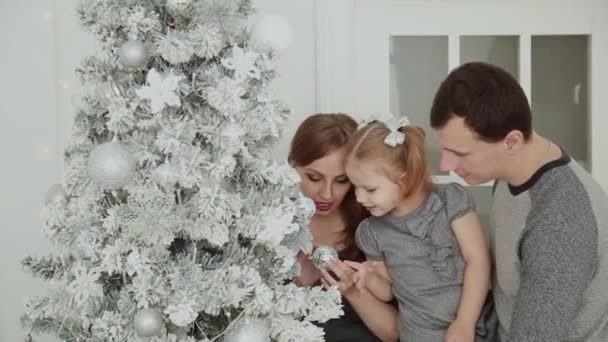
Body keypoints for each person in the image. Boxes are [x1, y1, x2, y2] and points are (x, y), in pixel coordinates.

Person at [430, 61, 608, 341]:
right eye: (445, 149)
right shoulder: (511, 171)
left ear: (511, 142)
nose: (445, 164)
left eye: (460, 153)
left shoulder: (561, 221)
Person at [341, 118, 497, 342]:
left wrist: (464, 322)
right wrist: (369, 276)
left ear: (403, 180)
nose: (359, 198)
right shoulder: (371, 232)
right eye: (355, 187)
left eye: (370, 189)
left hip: (474, 328)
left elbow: (478, 261)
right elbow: (387, 292)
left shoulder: (450, 201)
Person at [288, 113, 399, 342]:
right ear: (293, 166)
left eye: (341, 181)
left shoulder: (374, 231)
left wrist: (353, 292)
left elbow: (396, 333)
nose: (327, 194)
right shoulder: (268, 227)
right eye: (314, 178)